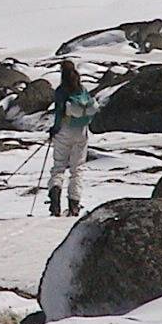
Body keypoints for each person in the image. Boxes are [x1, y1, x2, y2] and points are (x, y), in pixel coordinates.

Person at [47, 61, 98, 217]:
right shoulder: (82, 89)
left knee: (59, 166)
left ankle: (55, 203)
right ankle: (74, 205)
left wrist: (54, 130)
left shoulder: (61, 91)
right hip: (81, 132)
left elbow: (59, 113)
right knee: (77, 170)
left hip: (64, 130)